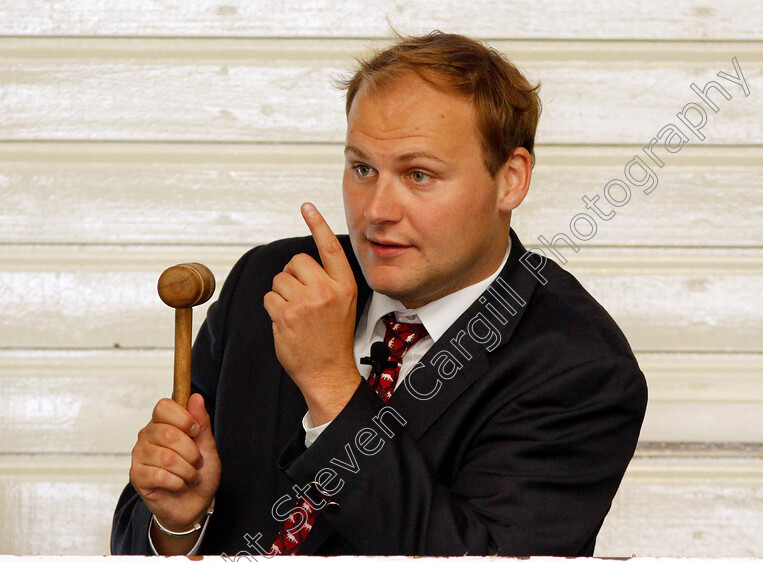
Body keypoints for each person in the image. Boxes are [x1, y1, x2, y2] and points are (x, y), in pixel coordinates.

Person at [111, 30, 647, 557]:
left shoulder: (580, 367)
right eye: (362, 168)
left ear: (511, 179)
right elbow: (142, 528)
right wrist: (177, 527)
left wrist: (332, 386)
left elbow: (483, 556)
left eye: (418, 174)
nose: (376, 211)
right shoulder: (271, 280)